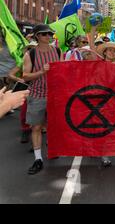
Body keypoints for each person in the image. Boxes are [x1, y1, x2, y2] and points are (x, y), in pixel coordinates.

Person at [22, 24, 63, 175]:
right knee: (36, 127)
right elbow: (25, 76)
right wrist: (41, 71)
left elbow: (63, 71)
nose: (48, 36)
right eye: (44, 34)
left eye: (50, 34)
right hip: (37, 95)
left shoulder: (58, 51)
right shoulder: (30, 54)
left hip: (55, 95)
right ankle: (38, 159)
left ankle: (52, 149)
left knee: (54, 125)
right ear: (37, 36)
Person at [8, 42, 37, 143]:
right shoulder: (22, 62)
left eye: (33, 48)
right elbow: (10, 74)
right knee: (25, 110)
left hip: (39, 89)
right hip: (26, 89)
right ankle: (25, 130)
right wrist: (19, 79)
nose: (30, 50)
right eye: (29, 48)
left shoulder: (41, 61)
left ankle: (39, 128)